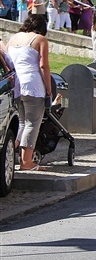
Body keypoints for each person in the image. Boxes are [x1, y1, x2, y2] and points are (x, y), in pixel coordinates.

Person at [7, 14, 51, 171]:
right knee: (32, 122)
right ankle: (26, 162)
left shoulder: (13, 38)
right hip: (33, 85)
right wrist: (49, 89)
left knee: (21, 122)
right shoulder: (40, 39)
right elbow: (43, 66)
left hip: (15, 84)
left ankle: (11, 155)